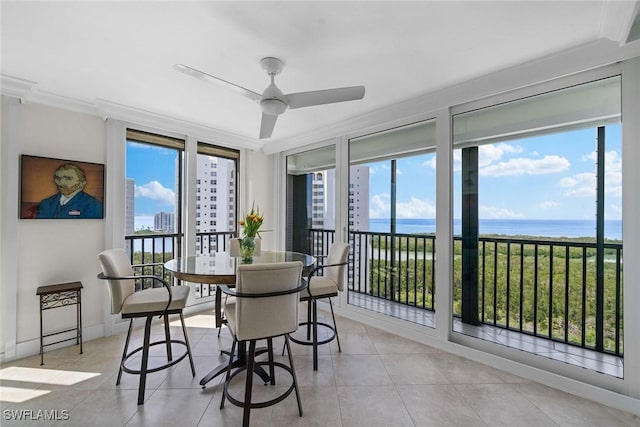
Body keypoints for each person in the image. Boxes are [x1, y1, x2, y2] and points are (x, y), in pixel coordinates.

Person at [36, 163, 103, 219]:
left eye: (68, 178)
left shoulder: (92, 204)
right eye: (58, 178)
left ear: (82, 183)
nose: (61, 183)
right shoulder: (47, 203)